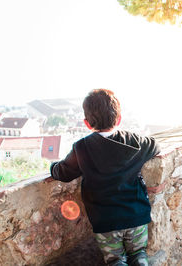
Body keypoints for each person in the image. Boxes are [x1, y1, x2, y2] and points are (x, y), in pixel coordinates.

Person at [50, 89, 160, 266]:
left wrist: (53, 167)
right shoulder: (136, 142)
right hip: (136, 215)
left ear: (87, 123)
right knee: (139, 255)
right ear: (119, 119)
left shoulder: (82, 148)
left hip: (106, 220)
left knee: (115, 260)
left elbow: (63, 173)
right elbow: (155, 146)